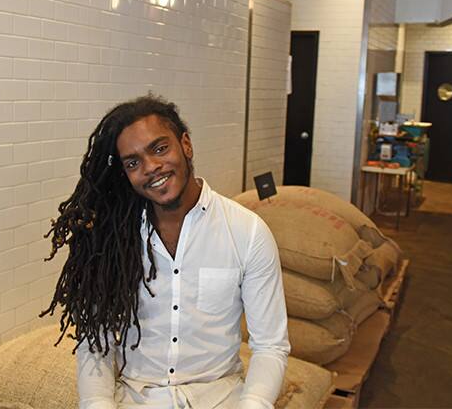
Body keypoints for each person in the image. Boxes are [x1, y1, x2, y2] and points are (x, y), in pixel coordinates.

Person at [41, 95, 290, 408]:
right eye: (133, 163)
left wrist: (253, 405)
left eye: (159, 149)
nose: (151, 167)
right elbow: (96, 343)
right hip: (137, 400)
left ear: (185, 145)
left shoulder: (247, 232)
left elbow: (270, 345)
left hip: (220, 397)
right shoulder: (111, 239)